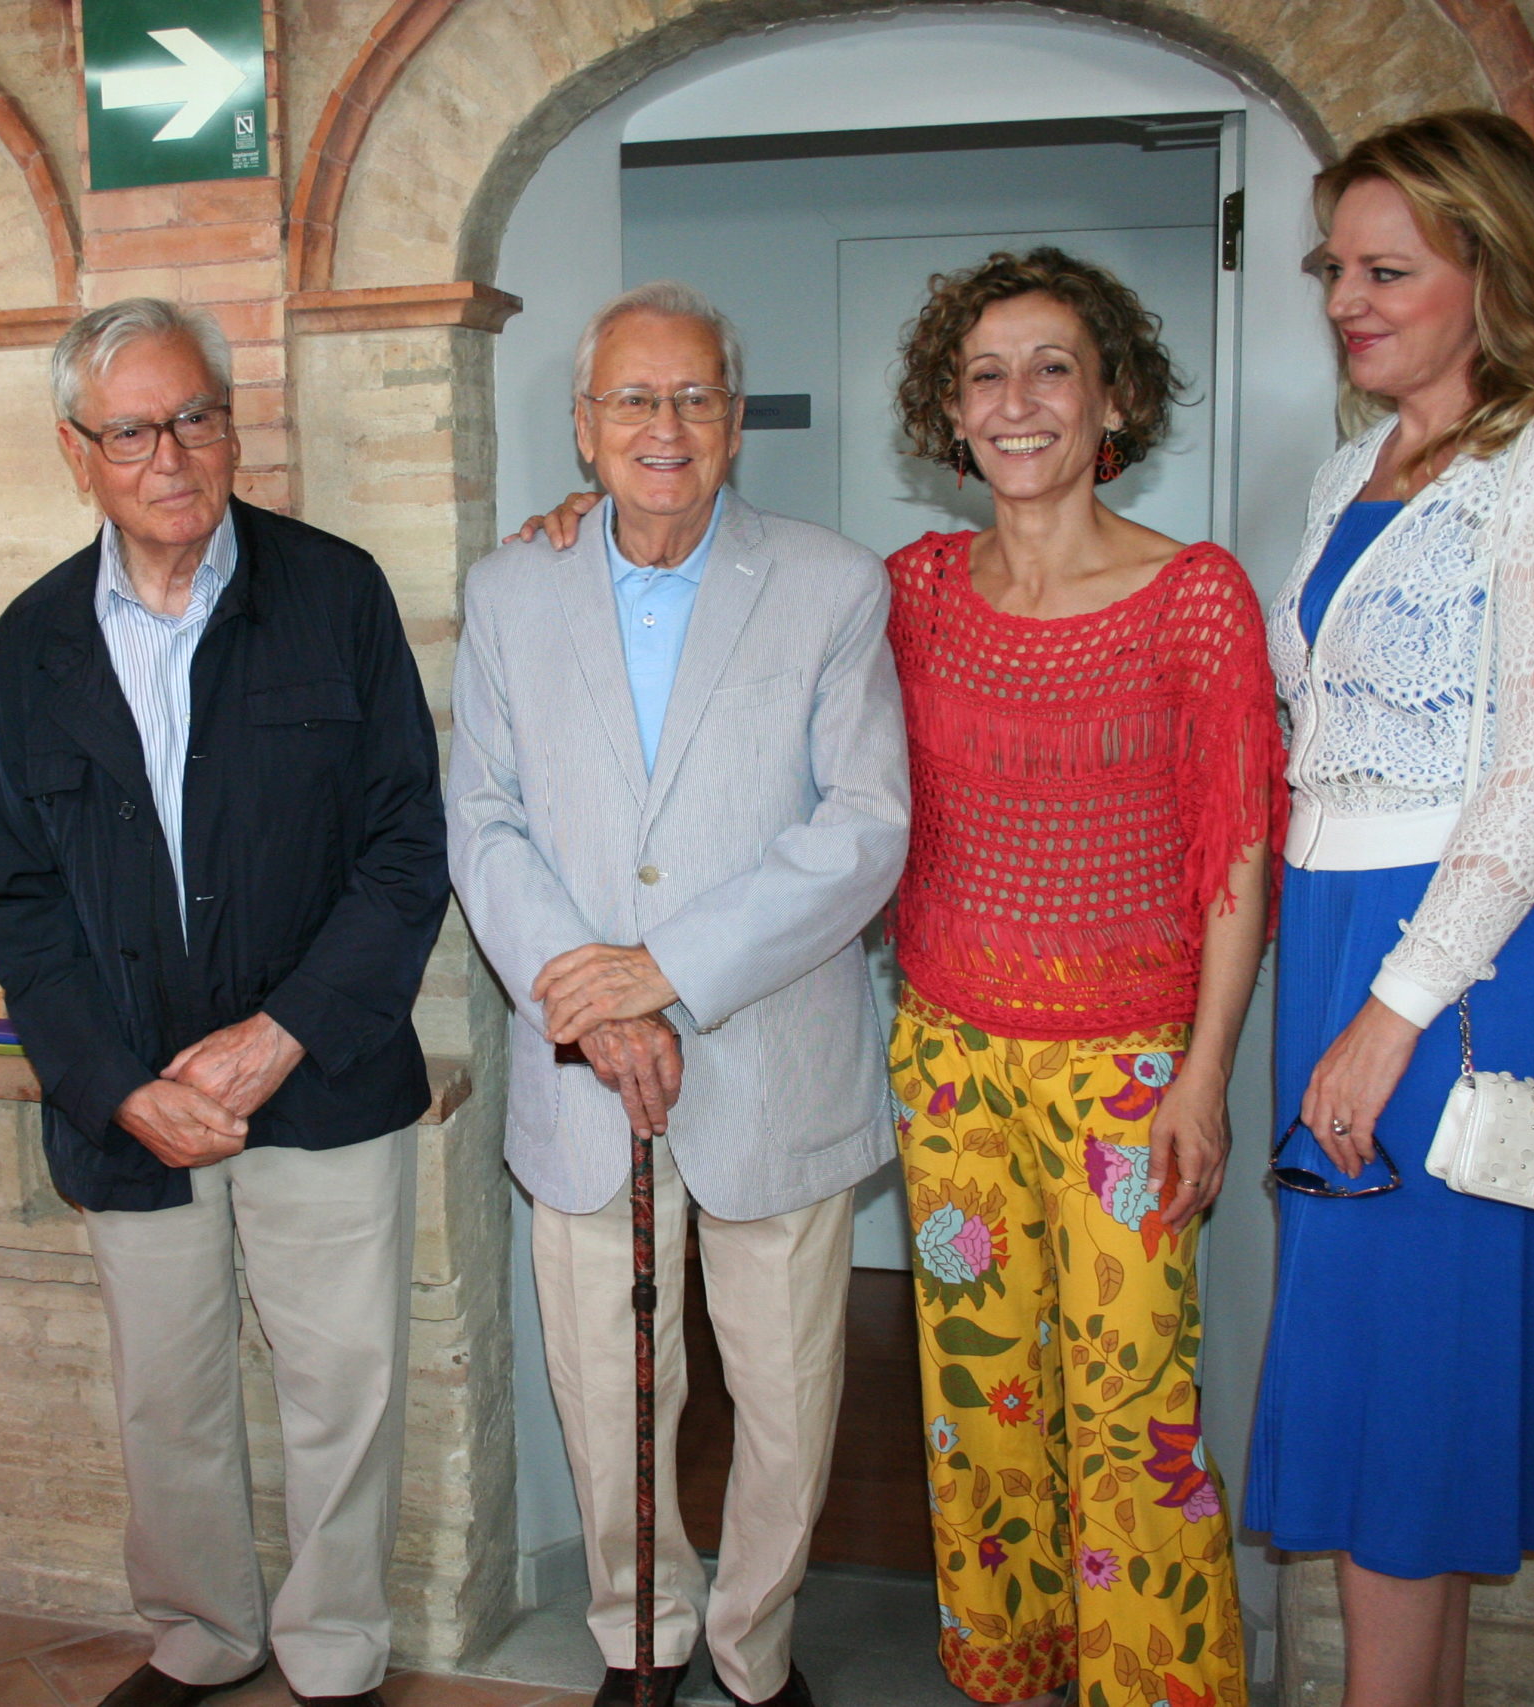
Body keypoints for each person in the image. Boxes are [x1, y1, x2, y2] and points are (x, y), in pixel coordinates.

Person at [515, 254, 1277, 1707]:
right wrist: (587, 527)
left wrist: (1204, 1075)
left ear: (1112, 394)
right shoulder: (908, 590)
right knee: (980, 1403)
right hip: (949, 1061)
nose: (1018, 402)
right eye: (986, 374)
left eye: (1052, 368)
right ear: (950, 407)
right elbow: (709, 610)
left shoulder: (1196, 597)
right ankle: (1008, 1670)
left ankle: (1155, 1689)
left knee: (1132, 1415)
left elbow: (1239, 852)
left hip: (1128, 1072)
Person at [0, 297, 448, 1707]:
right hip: (131, 1108)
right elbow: (20, 902)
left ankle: (337, 1652)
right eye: (133, 429)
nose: (172, 453)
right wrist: (121, 1085)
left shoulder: (336, 594)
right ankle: (200, 1636)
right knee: (167, 1400)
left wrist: (279, 1031)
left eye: (198, 416)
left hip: (327, 1073)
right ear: (79, 449)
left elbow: (407, 848)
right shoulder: (33, 645)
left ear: (232, 426)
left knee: (341, 1394)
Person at [451, 281, 911, 1707]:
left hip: (774, 1059)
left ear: (734, 421)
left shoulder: (835, 583)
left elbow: (864, 829)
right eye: (636, 399)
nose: (669, 424)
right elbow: (483, 815)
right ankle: (639, 1637)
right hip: (586, 1073)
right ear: (584, 429)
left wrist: (667, 974)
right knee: (608, 1396)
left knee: (785, 1403)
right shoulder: (509, 587)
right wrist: (596, 1004)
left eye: (698, 397)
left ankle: (753, 1650)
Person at [1246, 110, 1534, 1707]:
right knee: (1392, 1396)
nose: (1348, 296)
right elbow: (1330, 737)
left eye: (1388, 268)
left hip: (1460, 959)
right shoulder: (1364, 459)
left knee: (1407, 1400)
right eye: (1334, 265)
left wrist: (1390, 1011)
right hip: (1351, 927)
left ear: (1497, 265)